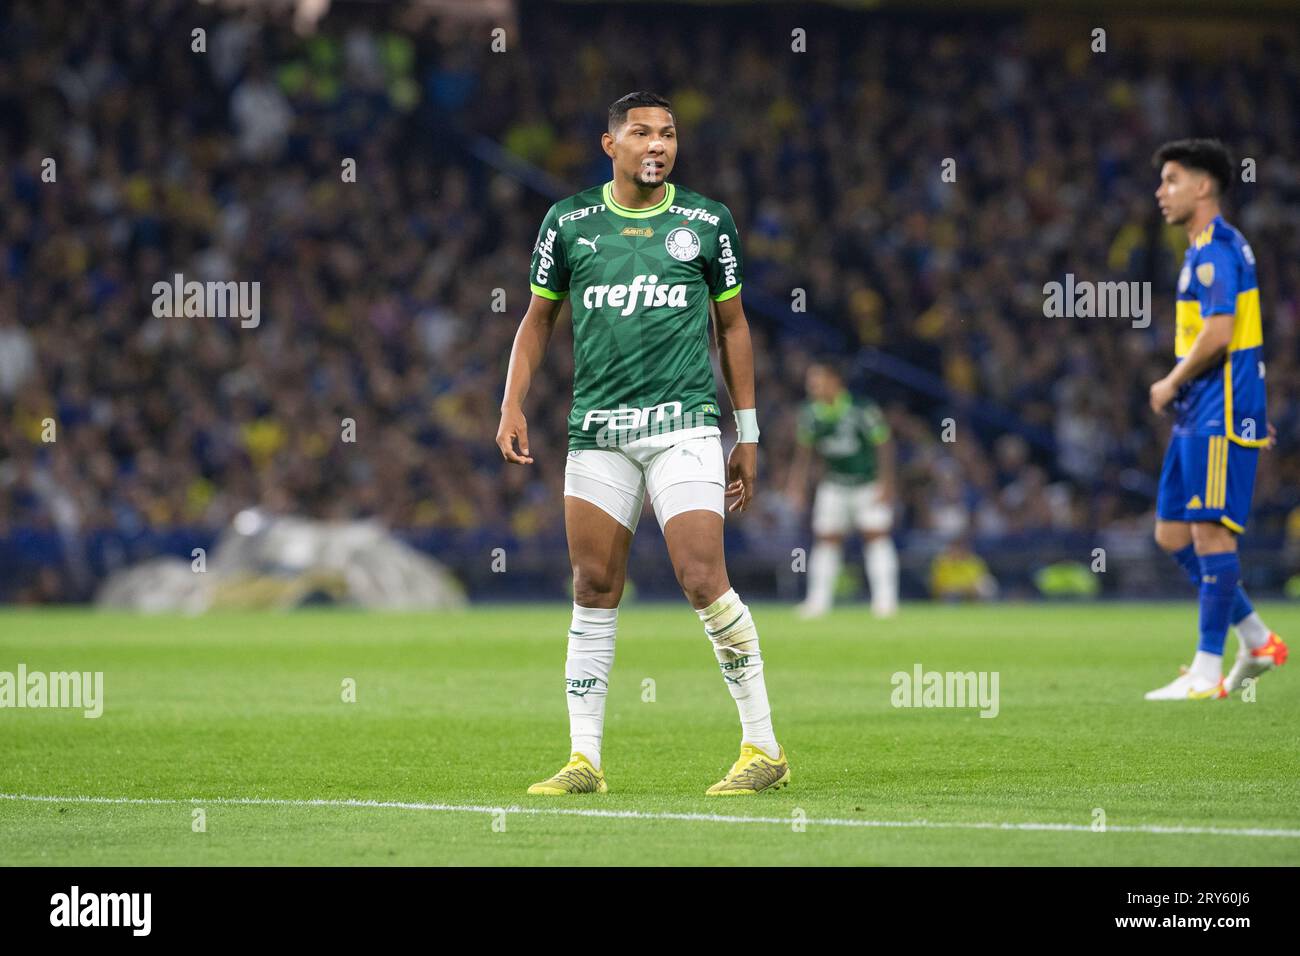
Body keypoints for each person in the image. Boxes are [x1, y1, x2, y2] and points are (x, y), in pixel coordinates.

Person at [496, 92, 789, 794]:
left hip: (683, 423)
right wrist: (511, 400)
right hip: (599, 430)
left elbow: (735, 327)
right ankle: (585, 761)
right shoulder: (569, 222)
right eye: (641, 133)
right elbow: (538, 321)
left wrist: (746, 431)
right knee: (593, 586)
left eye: (668, 134)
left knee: (700, 577)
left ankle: (763, 748)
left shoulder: (705, 222)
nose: (657, 144)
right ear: (611, 145)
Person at [1146, 138, 1287, 700]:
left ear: (1204, 187)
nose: (1161, 191)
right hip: (1205, 412)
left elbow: (1222, 332)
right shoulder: (1204, 249)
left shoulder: (1217, 251)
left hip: (1215, 411)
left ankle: (1207, 671)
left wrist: (1171, 380)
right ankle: (1256, 639)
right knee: (1171, 533)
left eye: (1172, 179)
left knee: (1209, 533)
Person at [786, 362, 899, 618]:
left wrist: (887, 483)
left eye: (817, 380)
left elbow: (884, 443)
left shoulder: (861, 408)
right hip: (834, 484)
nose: (812, 386)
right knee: (826, 539)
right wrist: (797, 485)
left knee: (876, 536)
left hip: (867, 484)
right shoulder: (810, 413)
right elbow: (804, 452)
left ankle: (885, 602)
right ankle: (818, 602)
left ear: (835, 380)